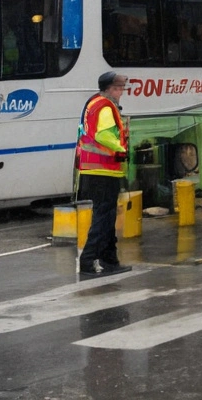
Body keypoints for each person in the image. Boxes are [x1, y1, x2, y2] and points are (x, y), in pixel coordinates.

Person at [76, 71, 131, 276]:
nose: (121, 93)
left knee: (106, 217)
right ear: (109, 89)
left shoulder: (94, 102)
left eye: (121, 89)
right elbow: (103, 135)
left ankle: (110, 259)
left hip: (98, 169)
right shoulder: (105, 106)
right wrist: (121, 149)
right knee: (103, 217)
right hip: (102, 170)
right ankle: (88, 261)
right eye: (118, 89)